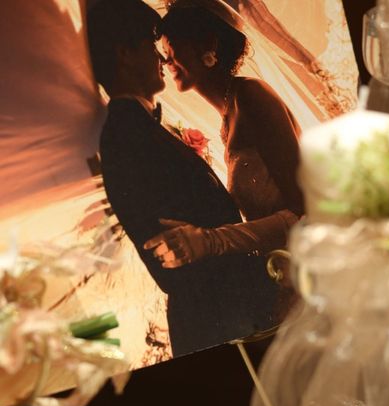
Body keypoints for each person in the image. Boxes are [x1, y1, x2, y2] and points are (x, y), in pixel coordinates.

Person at [87, 0, 283, 357]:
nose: (161, 59)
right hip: (221, 319)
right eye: (151, 47)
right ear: (125, 55)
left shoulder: (142, 128)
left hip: (238, 307)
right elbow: (172, 258)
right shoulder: (126, 134)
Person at [144, 0, 304, 271]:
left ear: (209, 45)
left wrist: (211, 241)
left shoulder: (252, 96)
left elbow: (303, 209)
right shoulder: (228, 117)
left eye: (172, 49)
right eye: (164, 53)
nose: (166, 61)